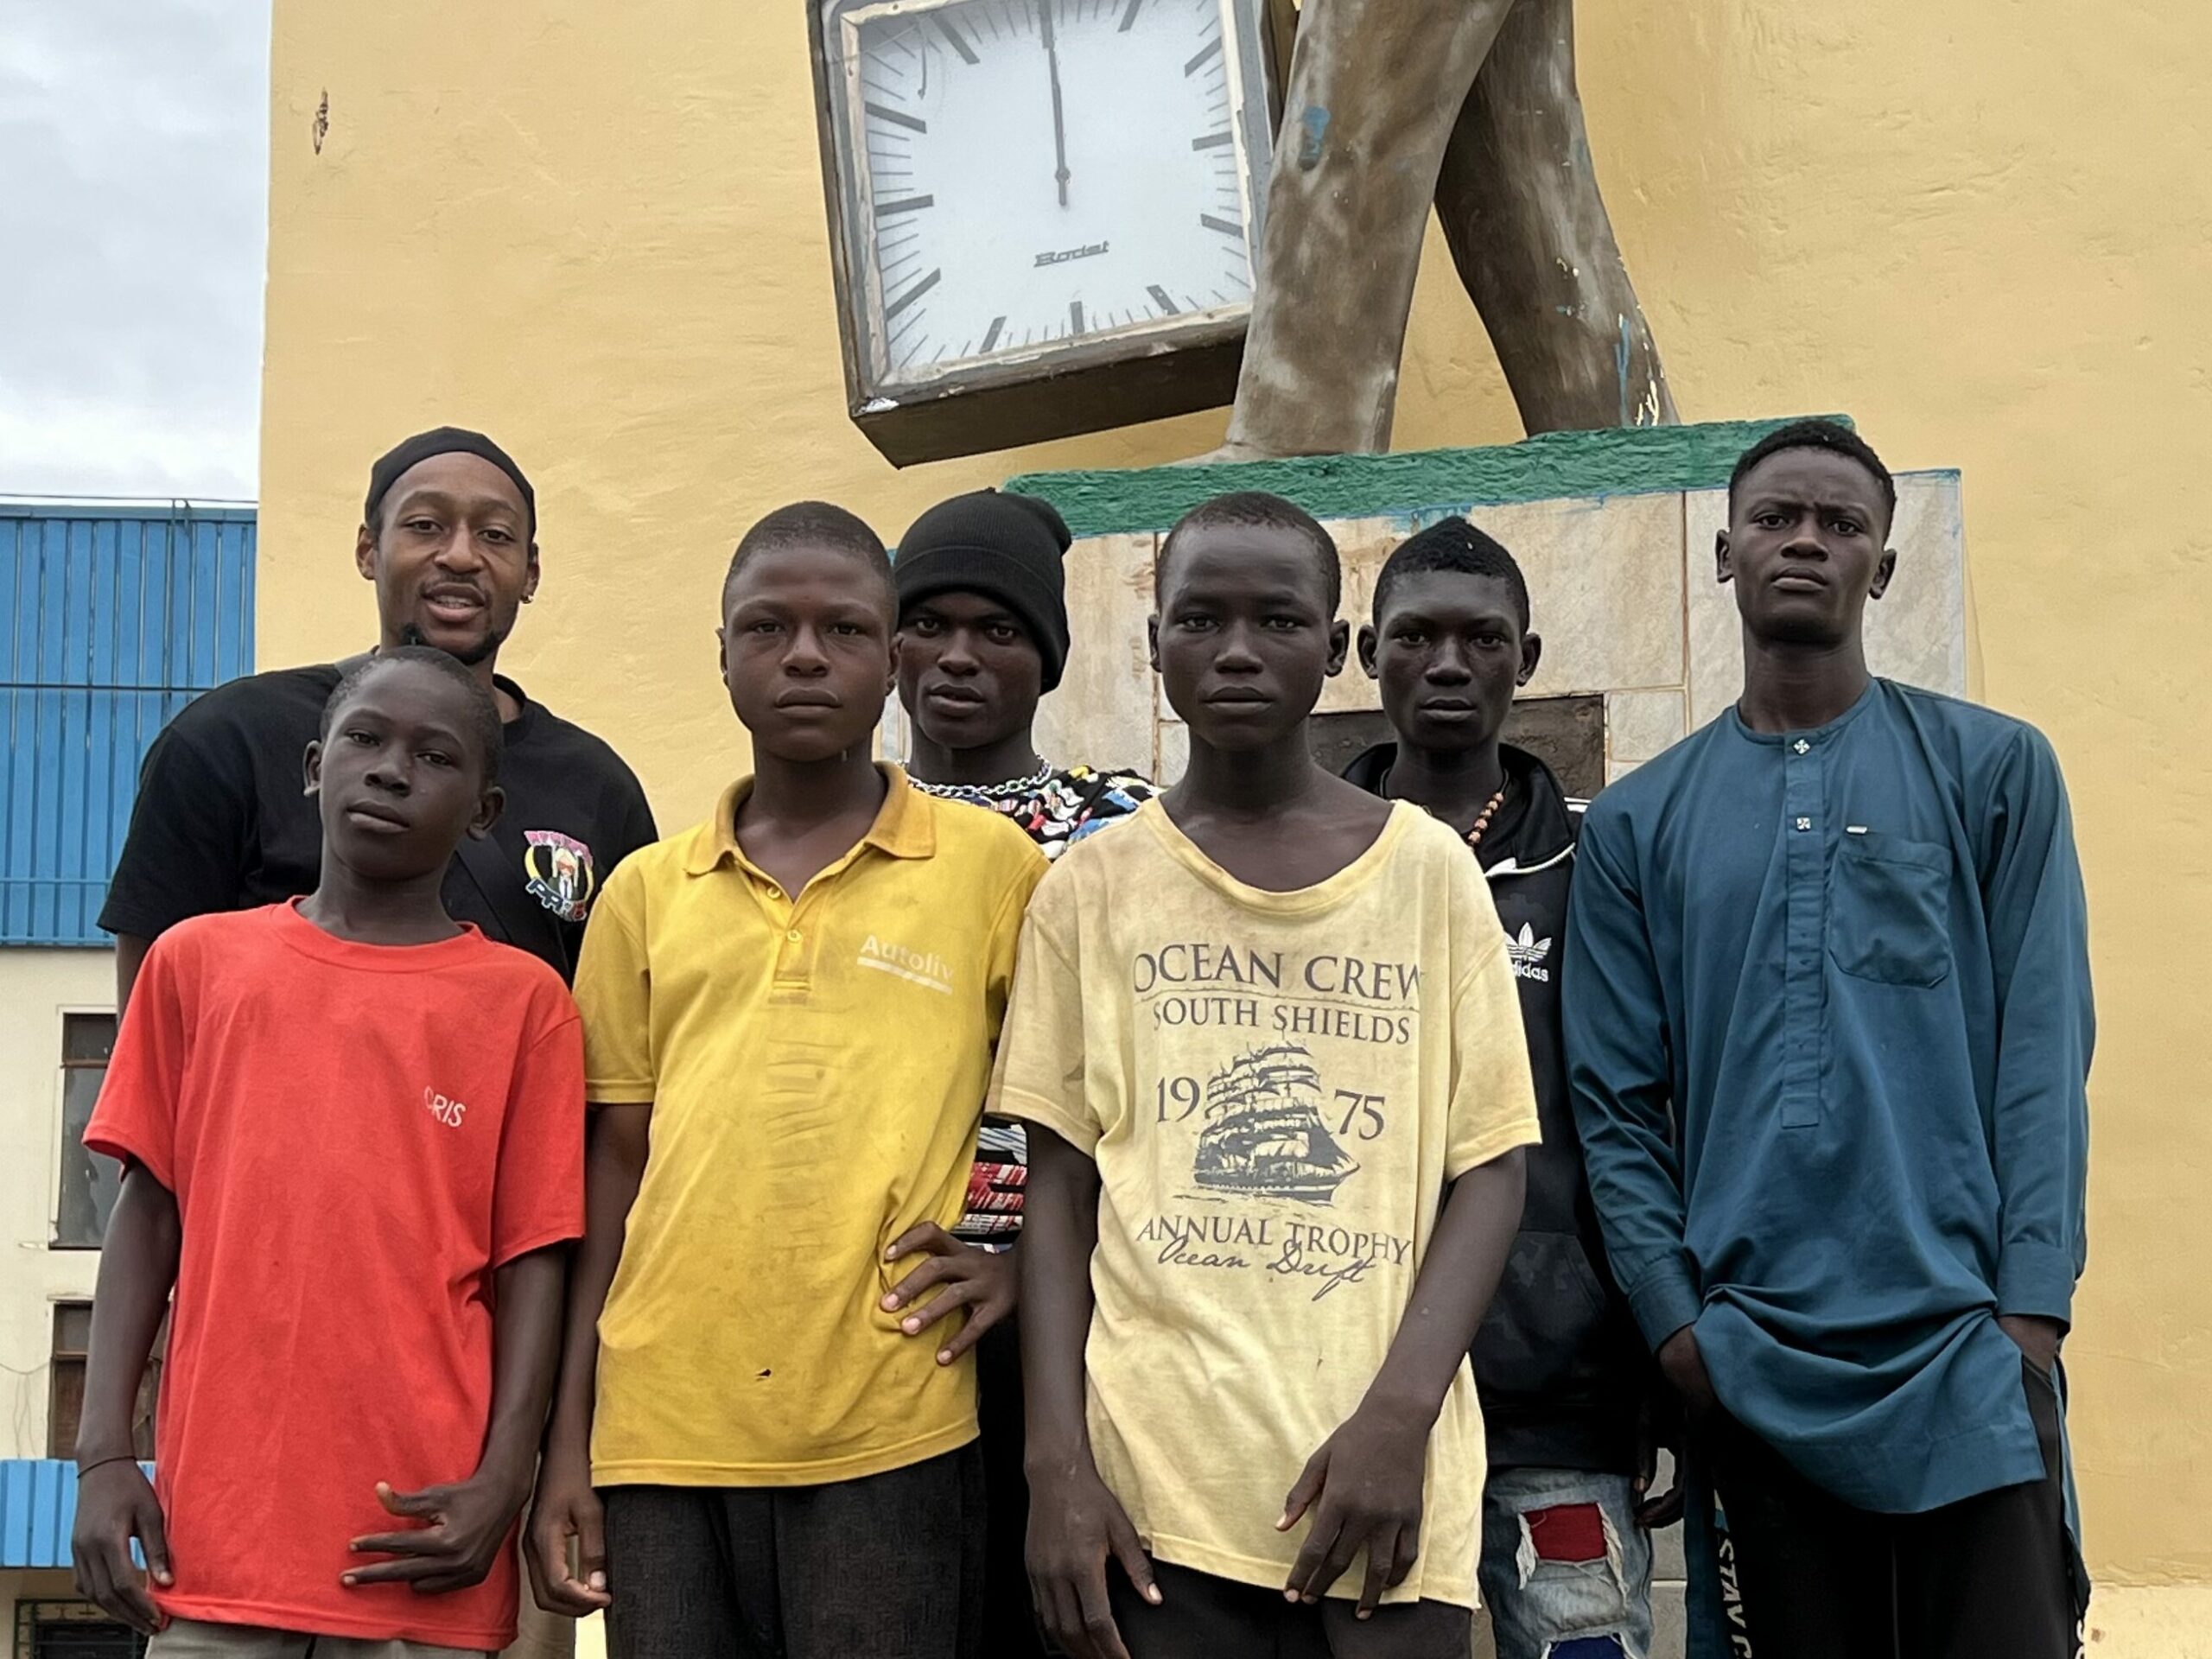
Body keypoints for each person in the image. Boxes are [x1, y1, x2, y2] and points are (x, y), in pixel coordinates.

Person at [1565, 420, 2094, 1658]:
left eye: (1843, 524)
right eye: (1776, 519)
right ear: (1723, 553)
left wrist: (2032, 1312)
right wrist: (1676, 1324)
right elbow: (1614, 1099)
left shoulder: (1995, 771)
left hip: (1967, 1347)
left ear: (1884, 570)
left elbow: (2043, 1055)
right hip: (1750, 1362)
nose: (1806, 540)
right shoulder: (1642, 824)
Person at [995, 491, 1542, 1659]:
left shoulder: (1431, 877)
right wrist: (1057, 1469)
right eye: (1200, 619)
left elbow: (1491, 1170)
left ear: (1335, 649)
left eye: (1279, 621)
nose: (1238, 650)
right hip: (1158, 1504)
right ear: (1153, 646)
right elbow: (1057, 1192)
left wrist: (1401, 1415)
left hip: (1387, 1497)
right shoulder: (1091, 893)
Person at [527, 502, 1048, 1659]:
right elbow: (612, 1169)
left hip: (889, 1411)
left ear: (893, 661)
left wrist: (1005, 1253)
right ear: (721, 654)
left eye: (845, 631)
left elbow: (1043, 1113)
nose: (805, 655)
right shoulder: (648, 892)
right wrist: (570, 1440)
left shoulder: (991, 870)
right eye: (767, 628)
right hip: (662, 1423)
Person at [70, 648, 585, 1657]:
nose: (391, 770)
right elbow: (149, 1215)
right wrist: (102, 1458)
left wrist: (505, 1479)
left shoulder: (525, 1005)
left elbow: (535, 1264)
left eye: (434, 757)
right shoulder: (199, 965)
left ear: (483, 813)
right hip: (216, 1544)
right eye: (364, 739)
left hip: (423, 1538)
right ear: (314, 767)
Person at [1346, 518, 1662, 1659]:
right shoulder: (1307, 858)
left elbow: (1636, 1117)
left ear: (1527, 660)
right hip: (1344, 1382)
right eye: (1416, 637)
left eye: (1480, 640)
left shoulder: (1597, 865)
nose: (1445, 664)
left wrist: (1645, 1379)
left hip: (1555, 1395)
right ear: (1369, 650)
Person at [100, 426, 657, 1009]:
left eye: (495, 535)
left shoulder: (597, 788)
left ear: (531, 572)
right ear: (369, 550)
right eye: (425, 526)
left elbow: (621, 1040)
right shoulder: (230, 739)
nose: (462, 555)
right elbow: (152, 1024)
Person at [893, 487, 1160, 1659]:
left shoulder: (1123, 831)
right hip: (881, 1309)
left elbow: (1151, 1079)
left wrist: (1030, 1264)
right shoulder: (835, 824)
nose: (960, 655)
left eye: (999, 629)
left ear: (1047, 661)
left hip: (1082, 1310)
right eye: (931, 623)